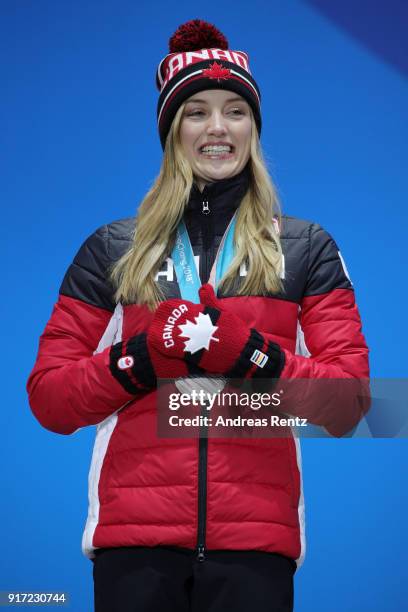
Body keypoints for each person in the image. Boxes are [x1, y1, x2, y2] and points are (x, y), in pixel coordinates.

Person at [27, 19, 369, 612]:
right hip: (133, 544)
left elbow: (350, 403)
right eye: (196, 112)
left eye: (236, 110)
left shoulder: (306, 247)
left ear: (254, 129)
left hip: (257, 545)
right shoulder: (113, 248)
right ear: (171, 130)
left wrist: (250, 355)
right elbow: (50, 399)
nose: (218, 128)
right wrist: (139, 361)